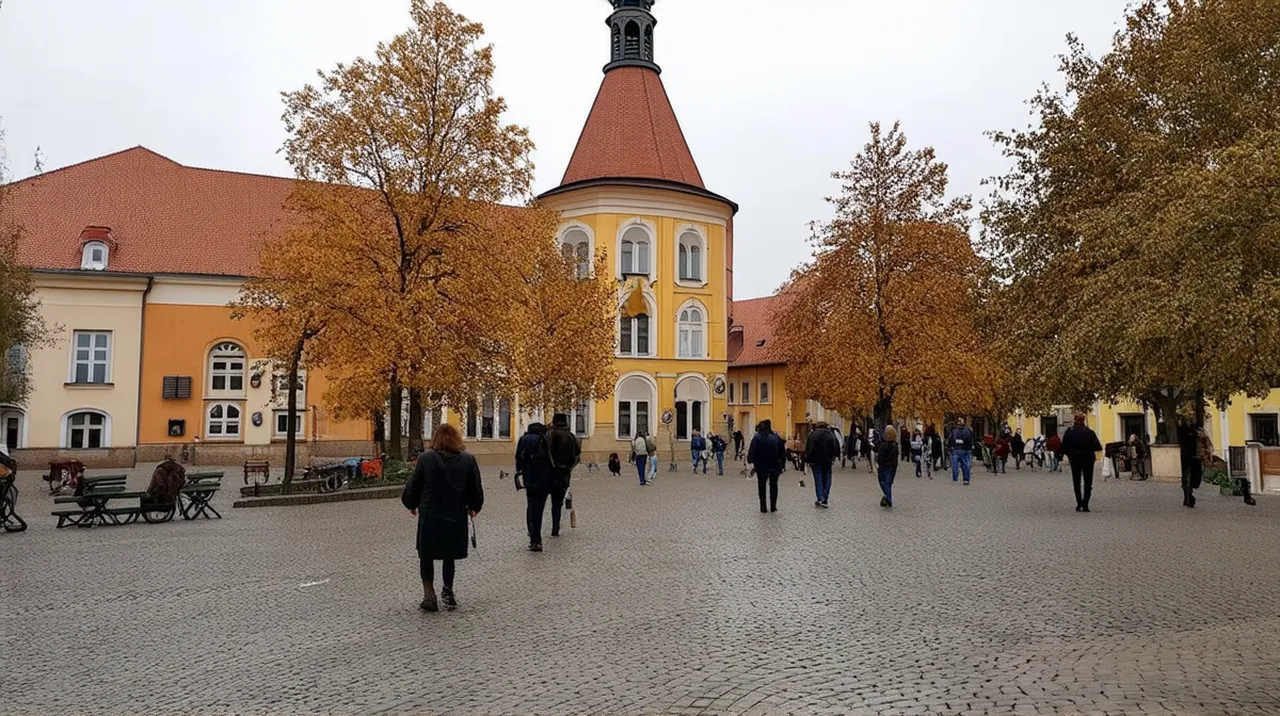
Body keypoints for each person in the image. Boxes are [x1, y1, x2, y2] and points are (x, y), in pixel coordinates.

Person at [401, 423, 484, 612]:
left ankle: (429, 594)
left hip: (430, 513)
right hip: (455, 513)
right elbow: (475, 487)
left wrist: (411, 503)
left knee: (426, 554)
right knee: (449, 554)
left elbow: (415, 484)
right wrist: (474, 507)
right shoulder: (468, 460)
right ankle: (448, 590)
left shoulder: (426, 459)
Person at [1061, 412, 1102, 512]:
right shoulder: (1089, 432)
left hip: (1075, 458)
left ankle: (1079, 502)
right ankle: (1085, 503)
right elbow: (1098, 447)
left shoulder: (1070, 432)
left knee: (1076, 481)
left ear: (1075, 420)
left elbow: (1064, 446)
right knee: (1088, 481)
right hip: (1088, 458)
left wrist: (1069, 454)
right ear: (1083, 420)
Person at [747, 419, 786, 513]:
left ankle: (763, 506)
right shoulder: (776, 438)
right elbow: (782, 453)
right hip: (775, 465)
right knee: (774, 485)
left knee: (761, 485)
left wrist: (750, 459)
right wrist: (783, 465)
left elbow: (752, 450)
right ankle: (773, 506)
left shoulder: (757, 437)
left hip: (761, 465)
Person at [804, 421, 840, 508]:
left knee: (818, 478)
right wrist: (835, 456)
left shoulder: (813, 434)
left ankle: (820, 497)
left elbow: (808, 448)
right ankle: (825, 495)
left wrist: (807, 459)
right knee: (827, 477)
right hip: (828, 460)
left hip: (815, 460)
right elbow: (836, 446)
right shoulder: (831, 434)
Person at [1177, 419, 1201, 508]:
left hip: (1186, 456)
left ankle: (1187, 497)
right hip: (1192, 457)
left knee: (1186, 477)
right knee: (1189, 477)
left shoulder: (1182, 430)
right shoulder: (1192, 431)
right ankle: (1188, 497)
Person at [877, 424, 899, 507]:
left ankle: (888, 498)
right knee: (888, 483)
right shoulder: (895, 446)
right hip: (892, 467)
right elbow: (896, 457)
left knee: (882, 481)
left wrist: (879, 463)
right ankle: (887, 497)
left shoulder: (883, 446)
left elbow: (880, 457)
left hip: (884, 466)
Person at [949, 418, 975, 485]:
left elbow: (951, 440)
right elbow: (971, 440)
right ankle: (966, 480)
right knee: (966, 465)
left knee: (955, 465)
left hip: (956, 449)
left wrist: (950, 448)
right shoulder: (968, 430)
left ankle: (956, 478)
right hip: (966, 450)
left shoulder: (954, 431)